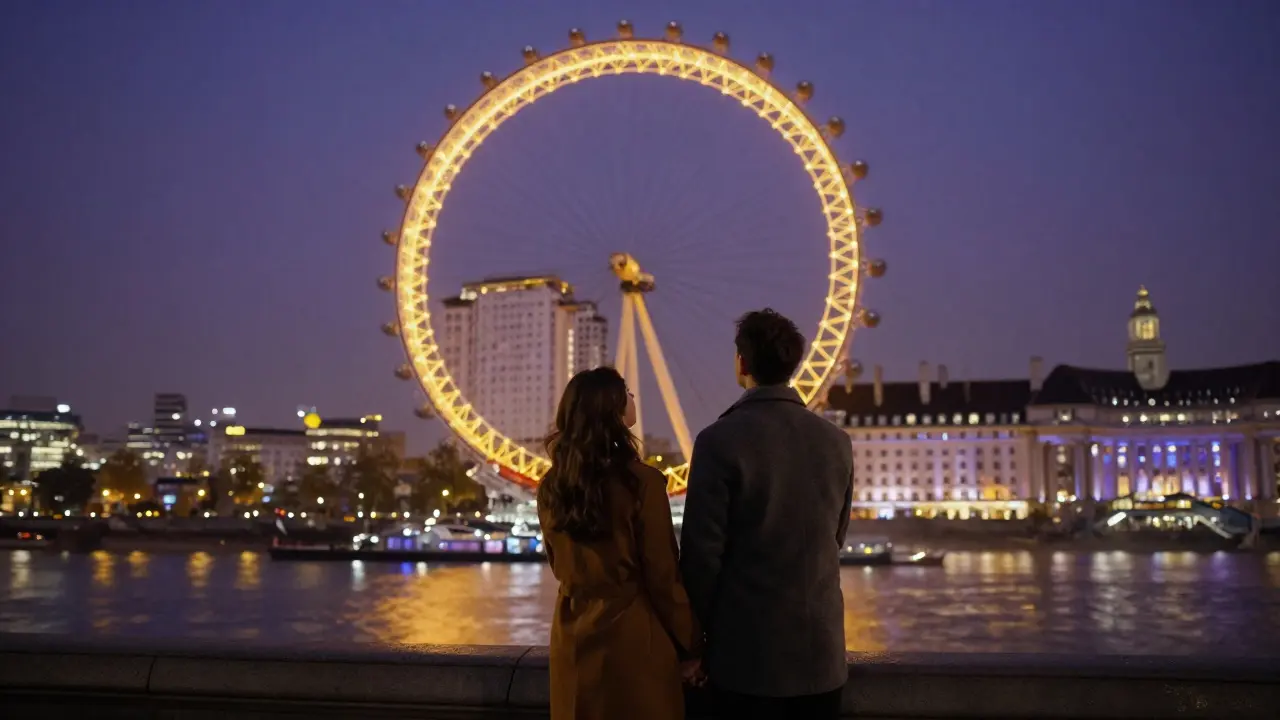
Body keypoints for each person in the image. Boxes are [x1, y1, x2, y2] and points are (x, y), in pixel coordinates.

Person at [680, 308, 855, 719]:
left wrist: (691, 645)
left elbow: (701, 558)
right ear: (794, 364)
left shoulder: (718, 441)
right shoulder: (836, 442)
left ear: (742, 363)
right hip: (822, 661)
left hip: (747, 662)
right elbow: (836, 537)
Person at [537, 366, 703, 720]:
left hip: (571, 632)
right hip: (632, 634)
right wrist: (691, 644)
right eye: (626, 393)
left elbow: (556, 562)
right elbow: (662, 573)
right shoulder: (642, 482)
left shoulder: (552, 485)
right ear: (611, 409)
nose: (633, 397)